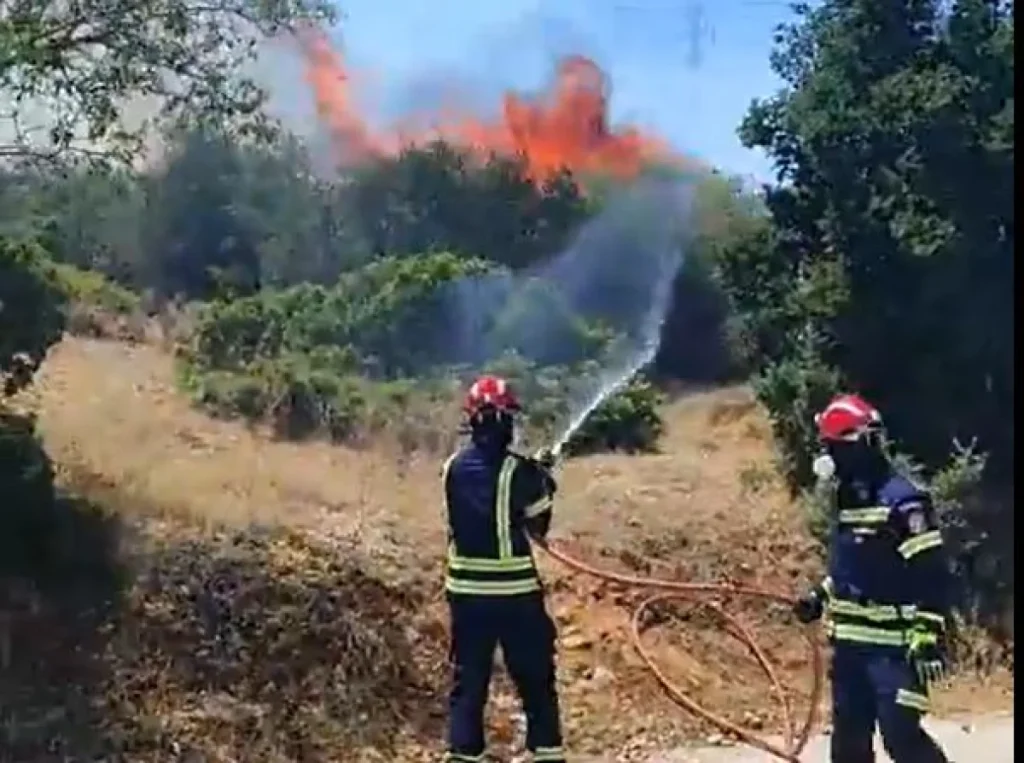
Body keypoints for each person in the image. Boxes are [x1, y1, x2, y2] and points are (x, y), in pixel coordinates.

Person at [794, 393, 952, 763]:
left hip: (894, 652)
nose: (828, 456)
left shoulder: (904, 502)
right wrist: (820, 597)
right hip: (849, 649)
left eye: (832, 447)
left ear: (855, 446)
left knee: (902, 739)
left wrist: (928, 634)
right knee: (848, 747)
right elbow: (850, 572)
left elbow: (932, 573)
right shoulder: (850, 500)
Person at [442, 374, 566, 763]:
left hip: (465, 595)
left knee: (469, 681)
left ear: (472, 421)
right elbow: (537, 526)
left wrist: (534, 474)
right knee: (534, 677)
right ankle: (546, 752)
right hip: (515, 597)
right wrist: (544, 479)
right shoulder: (522, 472)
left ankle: (465, 754)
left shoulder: (452, 467)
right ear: (507, 421)